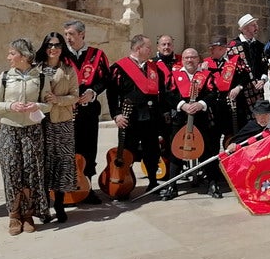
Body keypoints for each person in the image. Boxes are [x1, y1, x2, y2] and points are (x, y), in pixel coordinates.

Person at [0, 38, 52, 235]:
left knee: (31, 172)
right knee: (11, 171)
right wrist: (11, 106)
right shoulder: (5, 77)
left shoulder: (41, 78)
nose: (9, 57)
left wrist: (38, 106)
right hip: (10, 130)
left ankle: (28, 214)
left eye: (12, 53)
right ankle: (14, 215)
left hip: (32, 130)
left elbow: (48, 104)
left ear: (24, 56)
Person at [107, 35, 169, 196]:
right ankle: (124, 183)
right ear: (138, 48)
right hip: (130, 117)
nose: (151, 50)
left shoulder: (154, 68)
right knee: (127, 151)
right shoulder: (119, 68)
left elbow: (161, 93)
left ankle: (153, 182)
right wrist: (116, 115)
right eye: (148, 47)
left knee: (152, 150)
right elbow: (112, 94)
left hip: (151, 117)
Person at [63, 20, 110, 204]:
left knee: (89, 149)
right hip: (66, 111)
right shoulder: (62, 56)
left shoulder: (97, 55)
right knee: (68, 150)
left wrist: (93, 92)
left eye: (72, 34)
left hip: (88, 111)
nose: (68, 38)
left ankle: (88, 188)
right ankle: (68, 189)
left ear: (82, 34)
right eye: (66, 34)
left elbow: (106, 78)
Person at [163, 48, 219, 200]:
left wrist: (201, 104)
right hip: (180, 117)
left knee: (207, 149)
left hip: (201, 118)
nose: (189, 60)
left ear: (198, 59)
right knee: (176, 150)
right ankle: (171, 186)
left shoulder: (206, 75)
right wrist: (182, 105)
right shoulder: (174, 75)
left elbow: (214, 93)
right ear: (182, 60)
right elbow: (168, 93)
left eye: (193, 57)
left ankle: (212, 183)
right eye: (187, 57)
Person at [34, 32, 79, 222]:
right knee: (42, 163)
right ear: (45, 48)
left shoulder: (68, 70)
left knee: (62, 163)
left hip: (62, 122)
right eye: (50, 45)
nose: (53, 49)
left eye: (57, 45)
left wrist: (58, 100)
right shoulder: (35, 69)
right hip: (40, 122)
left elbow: (75, 96)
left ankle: (59, 204)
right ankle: (43, 207)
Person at [202, 35, 251, 147]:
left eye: (213, 48)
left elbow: (246, 76)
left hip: (234, 103)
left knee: (237, 135)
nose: (210, 51)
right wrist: (202, 71)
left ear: (222, 49)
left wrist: (238, 87)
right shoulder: (206, 63)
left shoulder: (235, 60)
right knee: (214, 136)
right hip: (215, 106)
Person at [227, 13, 267, 121]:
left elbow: (264, 66)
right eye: (253, 25)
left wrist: (263, 80)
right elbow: (231, 70)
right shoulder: (233, 46)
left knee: (258, 119)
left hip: (257, 90)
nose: (256, 27)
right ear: (244, 28)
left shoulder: (259, 46)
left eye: (256, 25)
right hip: (241, 92)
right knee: (242, 120)